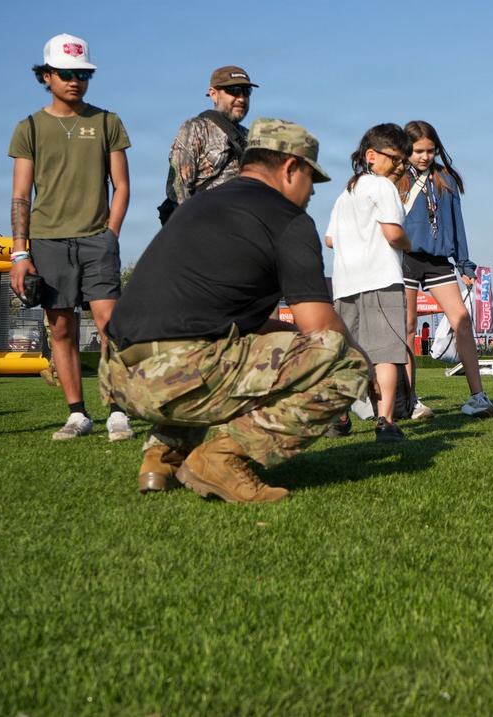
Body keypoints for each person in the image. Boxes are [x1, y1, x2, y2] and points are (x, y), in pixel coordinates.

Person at [100, 118, 373, 502]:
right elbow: (319, 328)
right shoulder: (288, 219)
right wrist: (365, 362)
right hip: (177, 373)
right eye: (311, 178)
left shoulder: (198, 205)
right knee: (346, 364)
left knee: (220, 345)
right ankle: (222, 459)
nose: (312, 192)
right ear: (290, 168)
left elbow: (212, 315)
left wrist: (286, 337)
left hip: (120, 377)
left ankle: (163, 456)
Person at [8, 33, 134, 441]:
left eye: (83, 73)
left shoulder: (107, 121)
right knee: (60, 328)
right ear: (46, 75)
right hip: (46, 242)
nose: (75, 80)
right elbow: (20, 196)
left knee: (110, 324)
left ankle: (118, 411)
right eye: (66, 73)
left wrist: (110, 234)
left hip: (97, 239)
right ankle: (78, 414)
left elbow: (122, 186)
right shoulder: (28, 126)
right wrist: (19, 253)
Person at [396, 120, 493, 419]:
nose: (425, 156)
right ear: (406, 150)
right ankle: (410, 400)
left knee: (461, 319)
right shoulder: (396, 178)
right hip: (406, 259)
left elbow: (458, 225)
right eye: (418, 151)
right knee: (409, 327)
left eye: (430, 150)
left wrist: (464, 263)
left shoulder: (446, 179)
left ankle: (478, 396)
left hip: (439, 260)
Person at [324, 123, 411, 442]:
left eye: (404, 161)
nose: (401, 167)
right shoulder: (383, 187)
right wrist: (408, 243)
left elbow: (330, 240)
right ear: (372, 156)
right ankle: (383, 422)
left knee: (348, 354)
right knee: (385, 353)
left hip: (345, 284)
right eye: (396, 159)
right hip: (382, 279)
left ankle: (340, 416)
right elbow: (393, 233)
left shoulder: (345, 192)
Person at [161, 65, 256, 221]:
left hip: (241, 229)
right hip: (203, 227)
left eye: (246, 92)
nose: (241, 98)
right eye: (234, 90)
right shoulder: (195, 128)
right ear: (213, 94)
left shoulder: (250, 136)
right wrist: (188, 229)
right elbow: (178, 187)